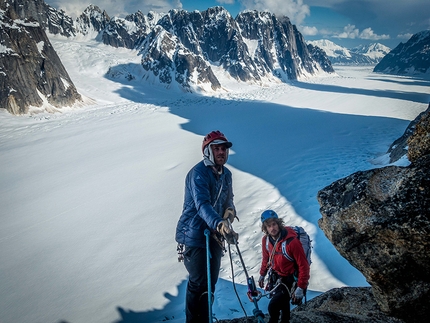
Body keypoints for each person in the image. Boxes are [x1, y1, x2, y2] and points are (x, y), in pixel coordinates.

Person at [175, 130, 239, 323]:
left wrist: (230, 211)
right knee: (199, 283)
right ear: (207, 151)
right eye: (217, 148)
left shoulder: (226, 174)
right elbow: (202, 204)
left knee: (210, 283)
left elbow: (229, 199)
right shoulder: (198, 174)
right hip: (194, 235)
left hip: (214, 236)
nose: (222, 152)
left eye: (224, 149)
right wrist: (220, 224)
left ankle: (204, 319)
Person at [257, 210, 310, 323]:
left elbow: (303, 265)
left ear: (279, 224)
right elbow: (266, 259)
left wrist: (300, 287)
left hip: (291, 279)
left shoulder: (292, 242)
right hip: (277, 277)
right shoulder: (266, 241)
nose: (272, 228)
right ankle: (285, 320)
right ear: (265, 228)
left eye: (274, 224)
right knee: (283, 302)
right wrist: (262, 275)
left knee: (273, 306)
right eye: (268, 226)